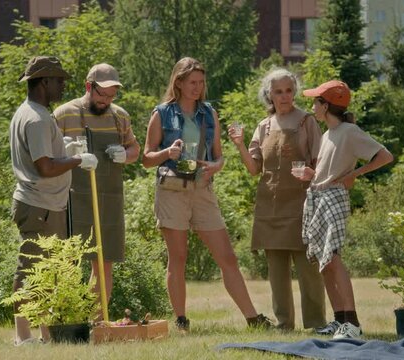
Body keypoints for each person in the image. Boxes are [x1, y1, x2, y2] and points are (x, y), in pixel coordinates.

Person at [142, 57, 272, 331]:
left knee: (227, 257)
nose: (198, 88)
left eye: (201, 83)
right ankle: (181, 320)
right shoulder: (162, 113)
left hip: (203, 190)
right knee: (178, 257)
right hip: (172, 191)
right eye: (192, 83)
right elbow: (146, 158)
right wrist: (167, 153)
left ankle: (252, 318)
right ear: (178, 82)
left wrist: (216, 166)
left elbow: (220, 157)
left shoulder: (209, 113)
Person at [227, 68, 326, 331]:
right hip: (270, 207)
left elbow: (321, 166)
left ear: (294, 92)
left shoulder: (307, 122)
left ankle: (316, 323)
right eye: (278, 91)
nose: (284, 96)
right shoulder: (263, 126)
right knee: (276, 274)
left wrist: (310, 174)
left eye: (289, 91)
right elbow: (253, 169)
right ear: (269, 95)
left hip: (303, 206)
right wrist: (238, 144)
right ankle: (284, 324)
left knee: (308, 270)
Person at [10, 56, 98, 345]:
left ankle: (47, 335)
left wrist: (67, 148)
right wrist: (76, 159)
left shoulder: (32, 112)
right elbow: (45, 167)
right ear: (44, 82)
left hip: (45, 205)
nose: (63, 86)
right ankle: (23, 337)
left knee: (48, 273)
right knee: (32, 270)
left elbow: (45, 155)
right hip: (40, 206)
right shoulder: (35, 118)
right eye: (59, 80)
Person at [297, 80, 393, 339]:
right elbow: (329, 168)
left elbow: (385, 156)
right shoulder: (328, 134)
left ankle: (353, 322)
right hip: (318, 196)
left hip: (334, 198)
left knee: (334, 258)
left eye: (316, 101)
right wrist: (312, 174)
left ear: (325, 106)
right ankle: (340, 321)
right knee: (324, 262)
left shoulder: (350, 131)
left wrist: (356, 173)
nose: (312, 105)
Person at [53, 63, 140, 305]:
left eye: (112, 96)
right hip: (71, 198)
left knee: (104, 263)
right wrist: (69, 153)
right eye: (102, 94)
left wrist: (125, 153)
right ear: (88, 86)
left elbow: (135, 148)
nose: (106, 101)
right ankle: (69, 319)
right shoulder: (64, 114)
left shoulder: (119, 116)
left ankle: (97, 321)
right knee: (68, 261)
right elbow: (46, 154)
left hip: (108, 198)